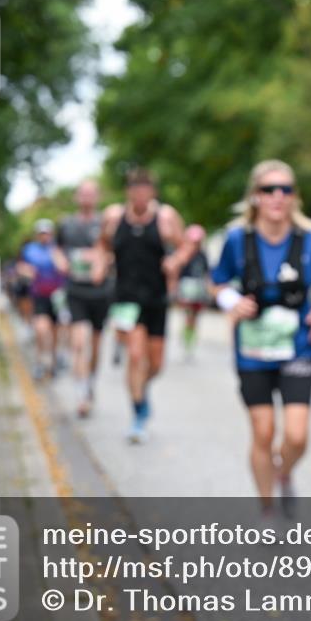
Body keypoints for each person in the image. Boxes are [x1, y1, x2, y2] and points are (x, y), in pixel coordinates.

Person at [210, 160, 311, 521]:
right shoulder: (237, 239)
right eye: (269, 189)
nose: (277, 196)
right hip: (252, 350)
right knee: (263, 432)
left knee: (296, 436)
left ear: (294, 196)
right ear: (255, 196)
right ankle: (268, 508)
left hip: (297, 345)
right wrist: (231, 301)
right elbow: (217, 282)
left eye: (286, 189)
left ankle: (283, 473)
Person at [94, 168, 192, 443]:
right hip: (125, 298)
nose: (139, 194)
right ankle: (138, 412)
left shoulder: (165, 217)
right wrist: (101, 264)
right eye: (134, 188)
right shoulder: (114, 217)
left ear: (152, 192)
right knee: (136, 356)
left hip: (156, 299)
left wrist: (175, 261)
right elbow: (102, 245)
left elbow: (185, 246)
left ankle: (141, 389)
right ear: (128, 191)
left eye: (144, 189)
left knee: (156, 364)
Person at [58, 179, 113, 418]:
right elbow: (57, 248)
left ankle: (90, 382)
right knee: (79, 343)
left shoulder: (105, 224)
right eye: (83, 193)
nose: (87, 198)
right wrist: (61, 262)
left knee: (96, 346)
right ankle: (81, 394)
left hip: (101, 292)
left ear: (98, 197)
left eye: (91, 194)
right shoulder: (66, 223)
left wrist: (102, 262)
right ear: (76, 197)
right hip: (76, 291)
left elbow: (113, 251)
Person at [18, 220, 67, 381]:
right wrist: (27, 272)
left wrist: (57, 256)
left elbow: (64, 268)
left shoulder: (57, 249)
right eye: (41, 233)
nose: (44, 236)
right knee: (40, 329)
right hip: (39, 295)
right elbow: (21, 267)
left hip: (57, 297)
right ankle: (39, 361)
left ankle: (53, 362)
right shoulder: (29, 250)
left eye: (47, 233)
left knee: (55, 332)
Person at [175, 224, 210, 361]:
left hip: (198, 290)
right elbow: (178, 272)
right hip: (186, 289)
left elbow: (206, 273)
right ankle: (186, 341)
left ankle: (190, 342)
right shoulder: (184, 254)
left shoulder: (202, 255)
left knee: (194, 319)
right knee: (188, 317)